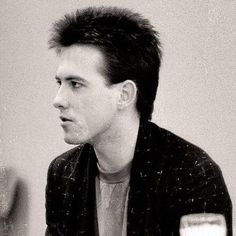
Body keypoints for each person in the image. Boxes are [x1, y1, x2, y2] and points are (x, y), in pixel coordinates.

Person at [45, 7, 232, 236]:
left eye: (75, 84)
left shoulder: (193, 175)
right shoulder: (63, 172)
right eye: (59, 83)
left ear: (124, 94)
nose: (58, 100)